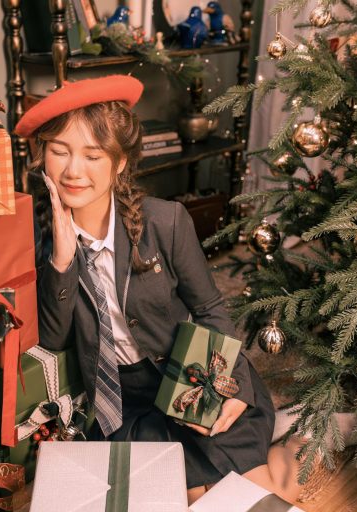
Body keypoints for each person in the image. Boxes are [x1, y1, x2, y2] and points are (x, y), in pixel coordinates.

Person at [15, 75, 276, 503]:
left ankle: (281, 459)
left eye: (92, 155)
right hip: (126, 404)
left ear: (119, 163)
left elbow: (210, 307)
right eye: (59, 151)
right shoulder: (36, 239)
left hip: (191, 376)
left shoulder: (165, 221)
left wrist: (228, 382)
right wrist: (61, 262)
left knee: (253, 488)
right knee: (190, 495)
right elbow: (54, 340)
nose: (73, 171)